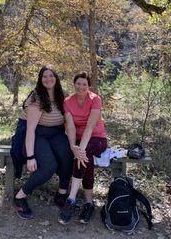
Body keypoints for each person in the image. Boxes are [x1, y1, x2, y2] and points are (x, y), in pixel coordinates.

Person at [13, 66, 73, 219]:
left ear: (56, 78)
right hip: (37, 134)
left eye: (51, 76)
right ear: (40, 80)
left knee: (67, 156)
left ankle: (61, 194)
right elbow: (31, 130)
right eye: (44, 76)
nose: (48, 79)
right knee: (49, 166)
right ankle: (20, 196)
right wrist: (31, 156)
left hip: (57, 133)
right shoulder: (36, 98)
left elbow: (70, 122)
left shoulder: (64, 95)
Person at [58, 71, 107, 225]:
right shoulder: (67, 101)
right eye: (78, 83)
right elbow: (70, 127)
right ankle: (89, 203)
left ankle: (71, 199)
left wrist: (80, 151)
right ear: (74, 84)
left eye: (84, 84)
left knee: (83, 156)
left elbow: (90, 127)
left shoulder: (95, 99)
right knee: (86, 160)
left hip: (97, 138)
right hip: (78, 140)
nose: (81, 87)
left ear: (89, 86)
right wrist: (74, 147)